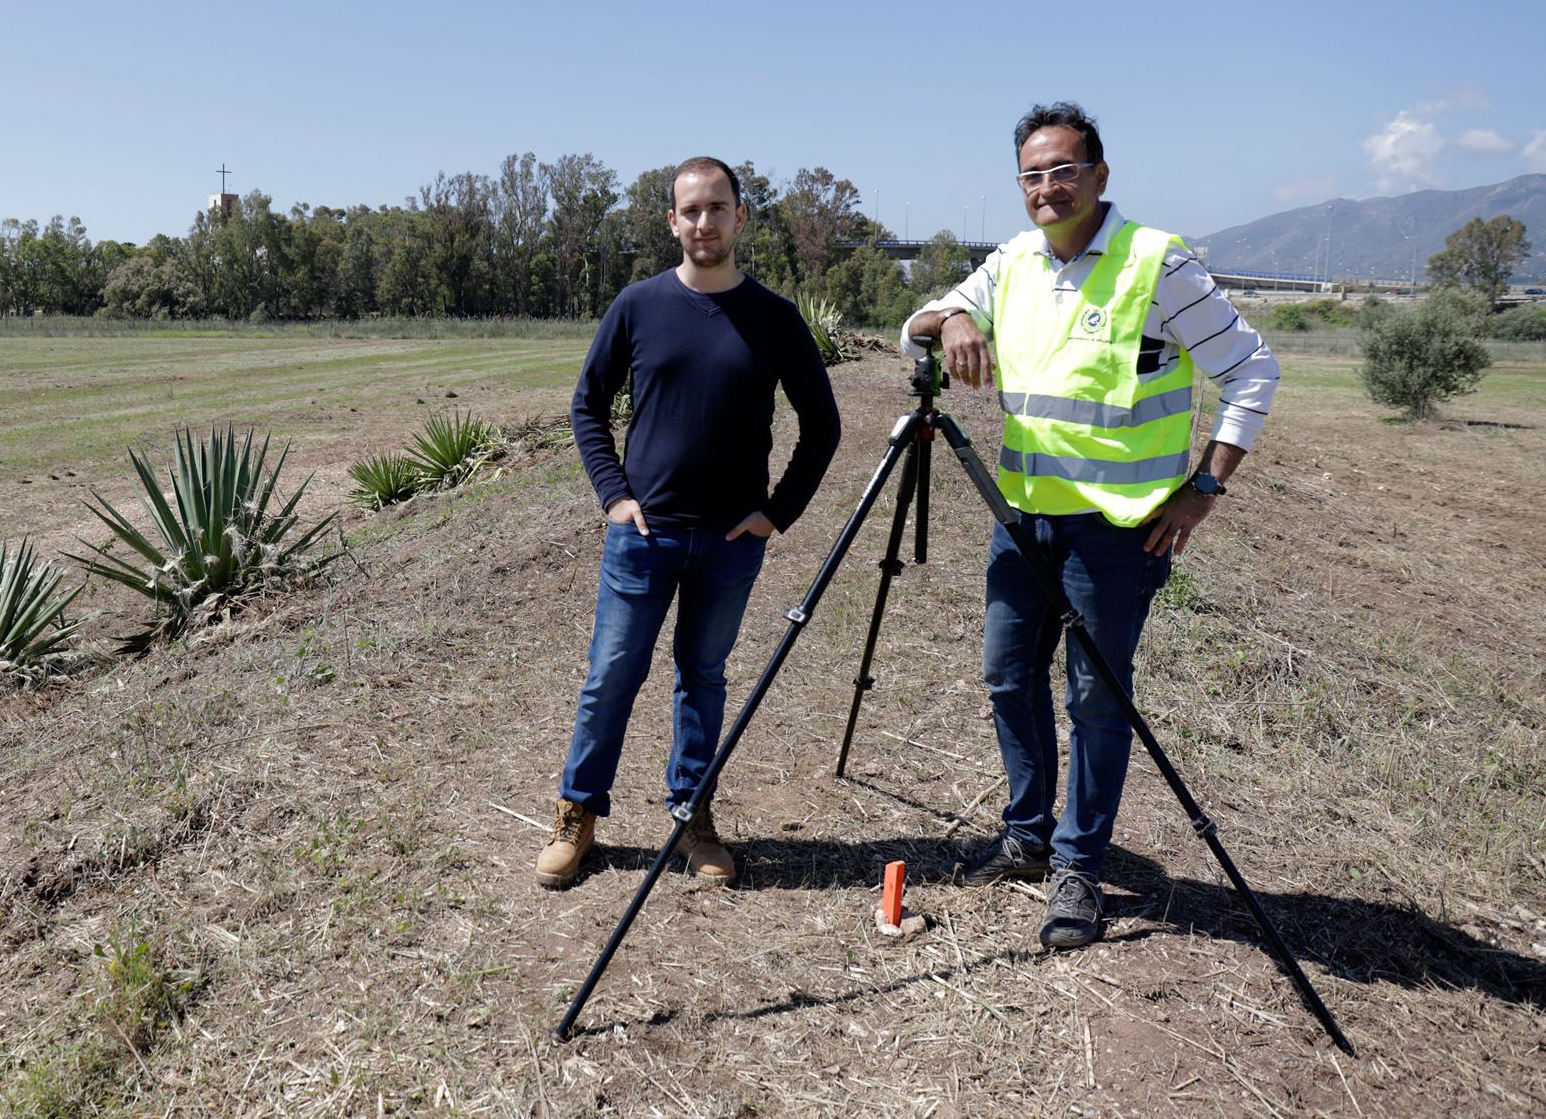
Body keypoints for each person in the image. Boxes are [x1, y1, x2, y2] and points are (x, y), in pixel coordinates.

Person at [901, 102, 1279, 948]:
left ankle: (1078, 866)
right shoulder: (1013, 264)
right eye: (1032, 174)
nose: (1047, 187)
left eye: (1063, 169)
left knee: (1096, 701)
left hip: (1118, 534)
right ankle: (1028, 835)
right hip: (1022, 521)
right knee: (1007, 677)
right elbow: (913, 327)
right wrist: (955, 316)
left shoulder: (1158, 262)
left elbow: (1253, 372)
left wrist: (1206, 489)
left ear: (1100, 176)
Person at [535, 156, 841, 889]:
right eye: (690, 210)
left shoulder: (774, 318)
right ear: (672, 221)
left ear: (740, 217)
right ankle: (578, 814)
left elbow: (823, 425)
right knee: (612, 674)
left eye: (717, 208)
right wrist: (614, 495)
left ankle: (691, 815)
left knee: (702, 677)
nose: (704, 222)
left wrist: (776, 512)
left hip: (731, 544)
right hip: (644, 535)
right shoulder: (638, 306)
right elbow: (587, 405)